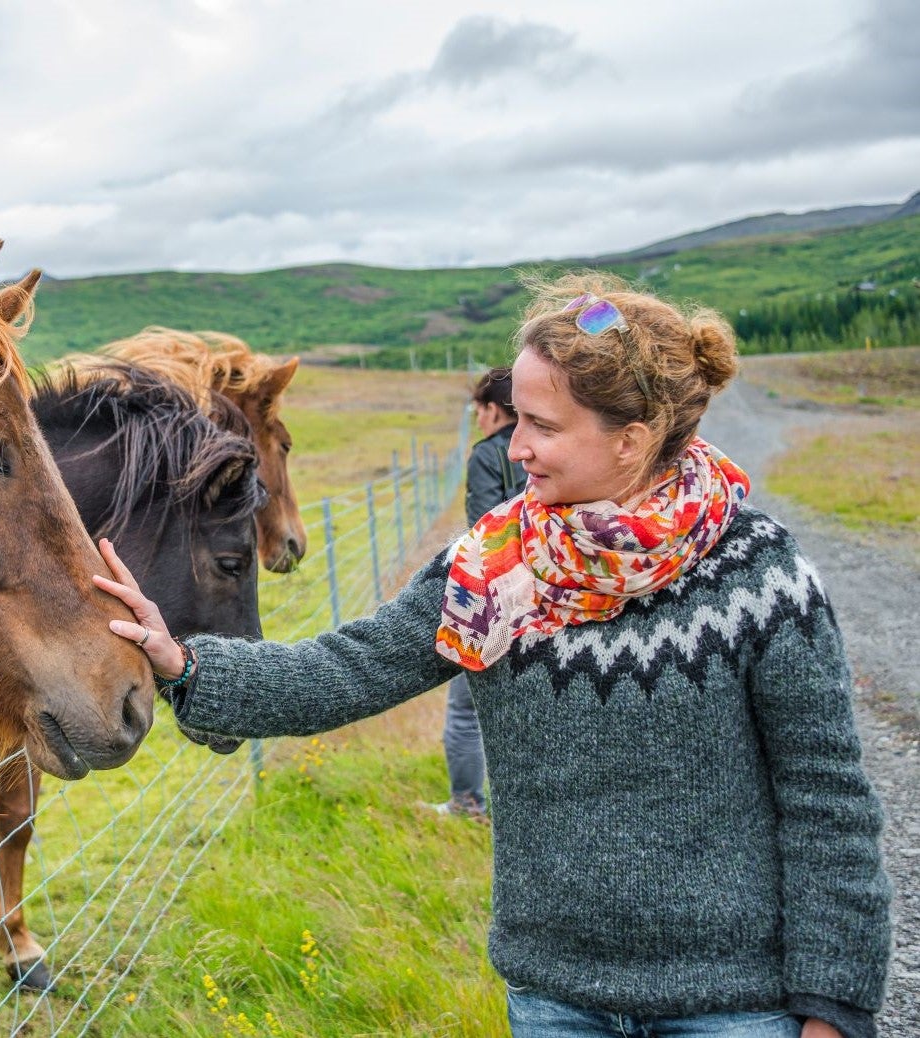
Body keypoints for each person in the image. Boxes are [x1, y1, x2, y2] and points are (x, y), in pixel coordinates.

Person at [94, 274, 889, 1038]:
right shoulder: (496, 567)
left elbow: (826, 799)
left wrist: (833, 1001)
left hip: (736, 1006)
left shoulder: (759, 575)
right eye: (517, 422)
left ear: (631, 438)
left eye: (541, 427)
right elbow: (348, 669)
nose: (515, 450)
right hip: (555, 1001)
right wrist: (185, 662)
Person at [435, 366, 527, 820]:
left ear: (493, 410)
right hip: (552, 598)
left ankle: (467, 804)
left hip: (496, 601)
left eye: (479, 410)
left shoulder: (488, 455)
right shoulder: (549, 447)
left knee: (466, 713)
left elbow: (483, 534)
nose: (478, 419)